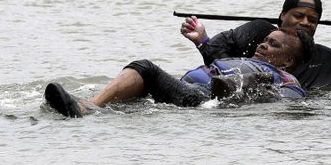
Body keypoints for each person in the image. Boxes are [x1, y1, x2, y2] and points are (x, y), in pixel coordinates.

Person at [44, 28, 314, 118]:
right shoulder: (238, 60)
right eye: (264, 40)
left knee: (146, 67)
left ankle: (87, 108)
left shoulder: (288, 80)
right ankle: (94, 101)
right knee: (144, 76)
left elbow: (288, 102)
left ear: (288, 60)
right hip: (184, 89)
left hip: (203, 100)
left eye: (273, 44)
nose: (263, 45)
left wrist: (248, 90)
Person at [180, 0, 331, 90]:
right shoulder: (259, 32)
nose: (305, 22)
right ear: (283, 16)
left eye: (312, 19)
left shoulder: (328, 59)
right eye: (298, 16)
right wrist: (201, 39)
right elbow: (218, 58)